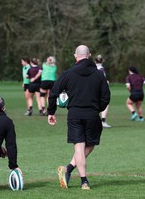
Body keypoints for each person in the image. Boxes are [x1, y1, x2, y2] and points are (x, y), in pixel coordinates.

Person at [47, 45, 110, 190]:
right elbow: (106, 96)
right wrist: (97, 108)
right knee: (88, 145)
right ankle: (83, 181)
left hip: (74, 114)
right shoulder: (99, 74)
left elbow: (53, 93)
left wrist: (51, 112)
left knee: (80, 147)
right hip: (92, 114)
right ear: (89, 55)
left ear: (76, 56)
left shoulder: (68, 73)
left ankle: (69, 170)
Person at [95, 55, 112, 128]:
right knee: (105, 104)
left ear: (95, 61)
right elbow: (103, 80)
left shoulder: (91, 68)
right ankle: (103, 121)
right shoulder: (101, 69)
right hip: (99, 89)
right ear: (102, 61)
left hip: (91, 88)